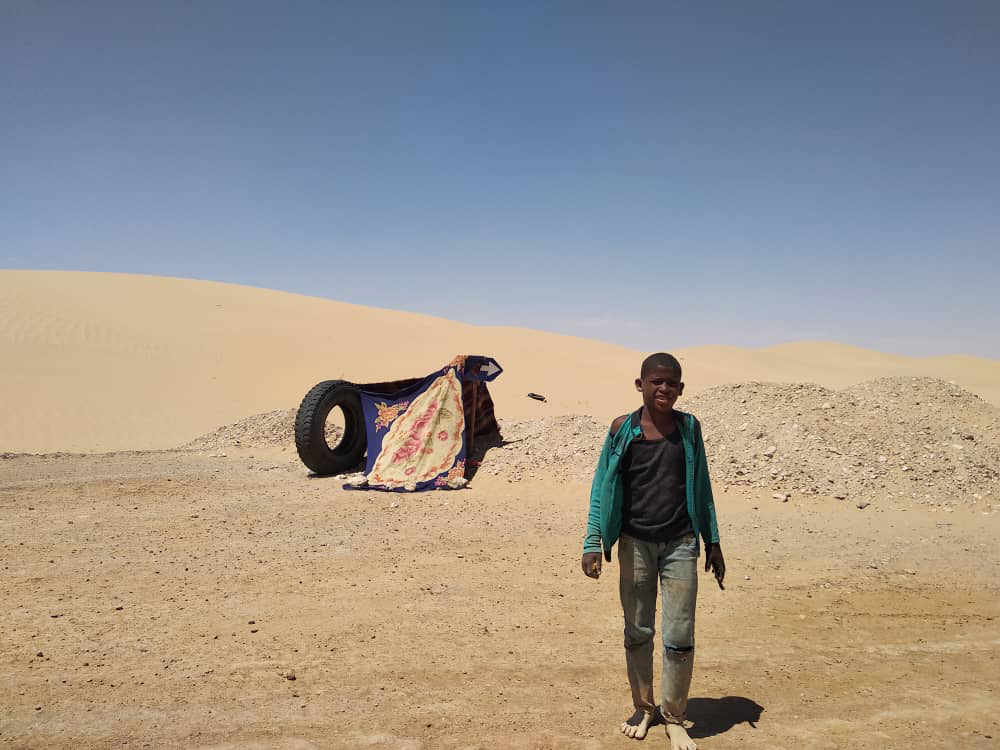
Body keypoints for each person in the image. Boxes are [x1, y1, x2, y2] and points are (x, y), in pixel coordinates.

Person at [581, 352, 725, 750]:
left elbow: (703, 488)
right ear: (640, 384)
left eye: (673, 383)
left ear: (681, 388)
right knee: (637, 632)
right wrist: (594, 540)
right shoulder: (622, 430)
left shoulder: (689, 429)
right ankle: (644, 708)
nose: (665, 389)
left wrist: (712, 541)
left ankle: (674, 716)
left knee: (680, 634)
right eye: (657, 381)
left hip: (681, 542)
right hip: (634, 544)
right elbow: (601, 488)